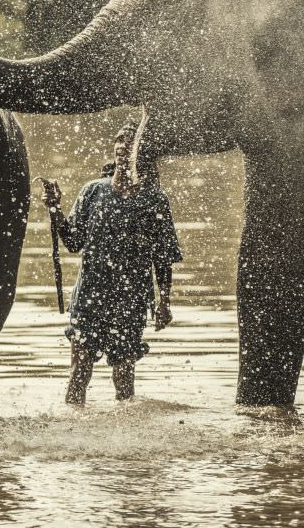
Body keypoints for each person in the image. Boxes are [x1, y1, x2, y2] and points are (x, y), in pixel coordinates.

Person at [41, 123, 182, 405]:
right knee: (79, 374)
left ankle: (128, 435)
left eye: (130, 144)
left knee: (124, 380)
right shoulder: (93, 192)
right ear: (115, 153)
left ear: (142, 155)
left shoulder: (154, 200)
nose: (123, 148)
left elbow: (163, 256)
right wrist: (55, 209)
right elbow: (72, 242)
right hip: (90, 296)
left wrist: (164, 301)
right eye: (120, 144)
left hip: (130, 299)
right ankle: (73, 429)